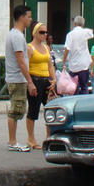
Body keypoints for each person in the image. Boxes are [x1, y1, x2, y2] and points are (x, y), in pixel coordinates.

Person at [5, 5, 35, 152]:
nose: (30, 20)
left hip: (16, 77)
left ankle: (13, 140)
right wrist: (29, 81)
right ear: (22, 17)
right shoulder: (17, 36)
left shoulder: (15, 35)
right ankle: (12, 141)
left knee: (18, 109)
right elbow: (20, 60)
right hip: (17, 78)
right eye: (28, 16)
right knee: (16, 110)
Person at [26, 21, 57, 150]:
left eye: (45, 32)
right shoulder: (29, 48)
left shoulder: (46, 48)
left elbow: (50, 65)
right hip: (35, 79)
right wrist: (30, 83)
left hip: (46, 80)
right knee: (33, 109)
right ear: (35, 33)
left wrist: (54, 79)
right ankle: (31, 138)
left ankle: (49, 136)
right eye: (41, 32)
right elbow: (25, 66)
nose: (44, 35)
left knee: (50, 108)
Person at [63, 16, 94, 95]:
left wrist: (64, 61)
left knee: (74, 87)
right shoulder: (85, 32)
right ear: (83, 24)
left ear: (75, 23)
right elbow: (91, 32)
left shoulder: (70, 35)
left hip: (74, 65)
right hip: (84, 64)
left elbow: (67, 49)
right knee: (84, 86)